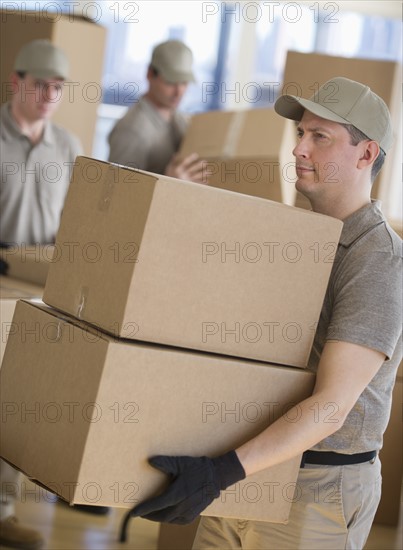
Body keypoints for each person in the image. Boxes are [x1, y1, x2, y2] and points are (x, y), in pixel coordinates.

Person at [119, 77, 402, 549]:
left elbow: (331, 406)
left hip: (316, 490)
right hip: (250, 467)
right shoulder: (294, 239)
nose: (298, 150)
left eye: (320, 137)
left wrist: (219, 472)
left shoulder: (378, 258)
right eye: (300, 135)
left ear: (366, 154)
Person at [0, 39, 87, 550]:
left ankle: (3, 510)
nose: (50, 95)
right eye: (41, 85)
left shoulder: (69, 147)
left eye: (58, 87)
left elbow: (77, 222)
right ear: (16, 82)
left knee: (19, 400)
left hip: (40, 288)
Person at [108, 39, 205, 183]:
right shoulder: (132, 131)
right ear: (150, 74)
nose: (179, 92)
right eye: (171, 82)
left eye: (184, 82)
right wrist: (168, 184)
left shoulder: (179, 119)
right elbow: (115, 196)